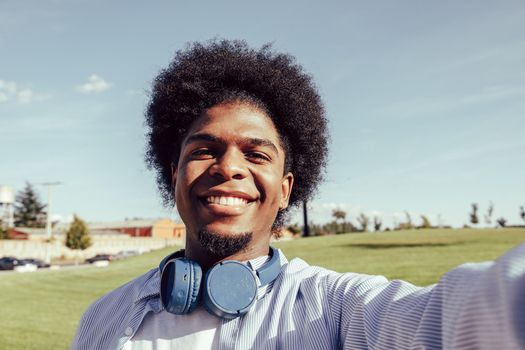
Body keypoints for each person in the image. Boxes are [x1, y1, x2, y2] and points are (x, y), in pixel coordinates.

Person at [71, 39, 525, 350]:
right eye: (205, 149)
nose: (229, 167)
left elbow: (455, 319)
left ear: (286, 189)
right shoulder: (102, 321)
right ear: (174, 175)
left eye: (257, 154)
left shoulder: (338, 308)